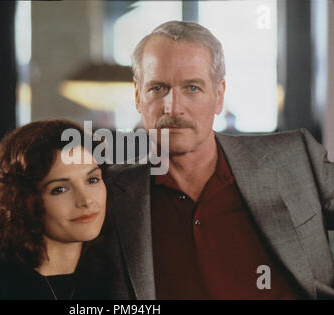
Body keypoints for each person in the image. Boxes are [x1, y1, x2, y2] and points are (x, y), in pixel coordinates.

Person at [100, 21, 334, 299]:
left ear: (219, 95)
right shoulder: (107, 191)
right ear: (138, 96)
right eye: (158, 88)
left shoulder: (294, 158)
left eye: (192, 88)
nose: (173, 108)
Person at [0, 119, 108, 300]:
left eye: (93, 180)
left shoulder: (113, 271)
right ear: (24, 200)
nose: (86, 200)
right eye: (60, 189)